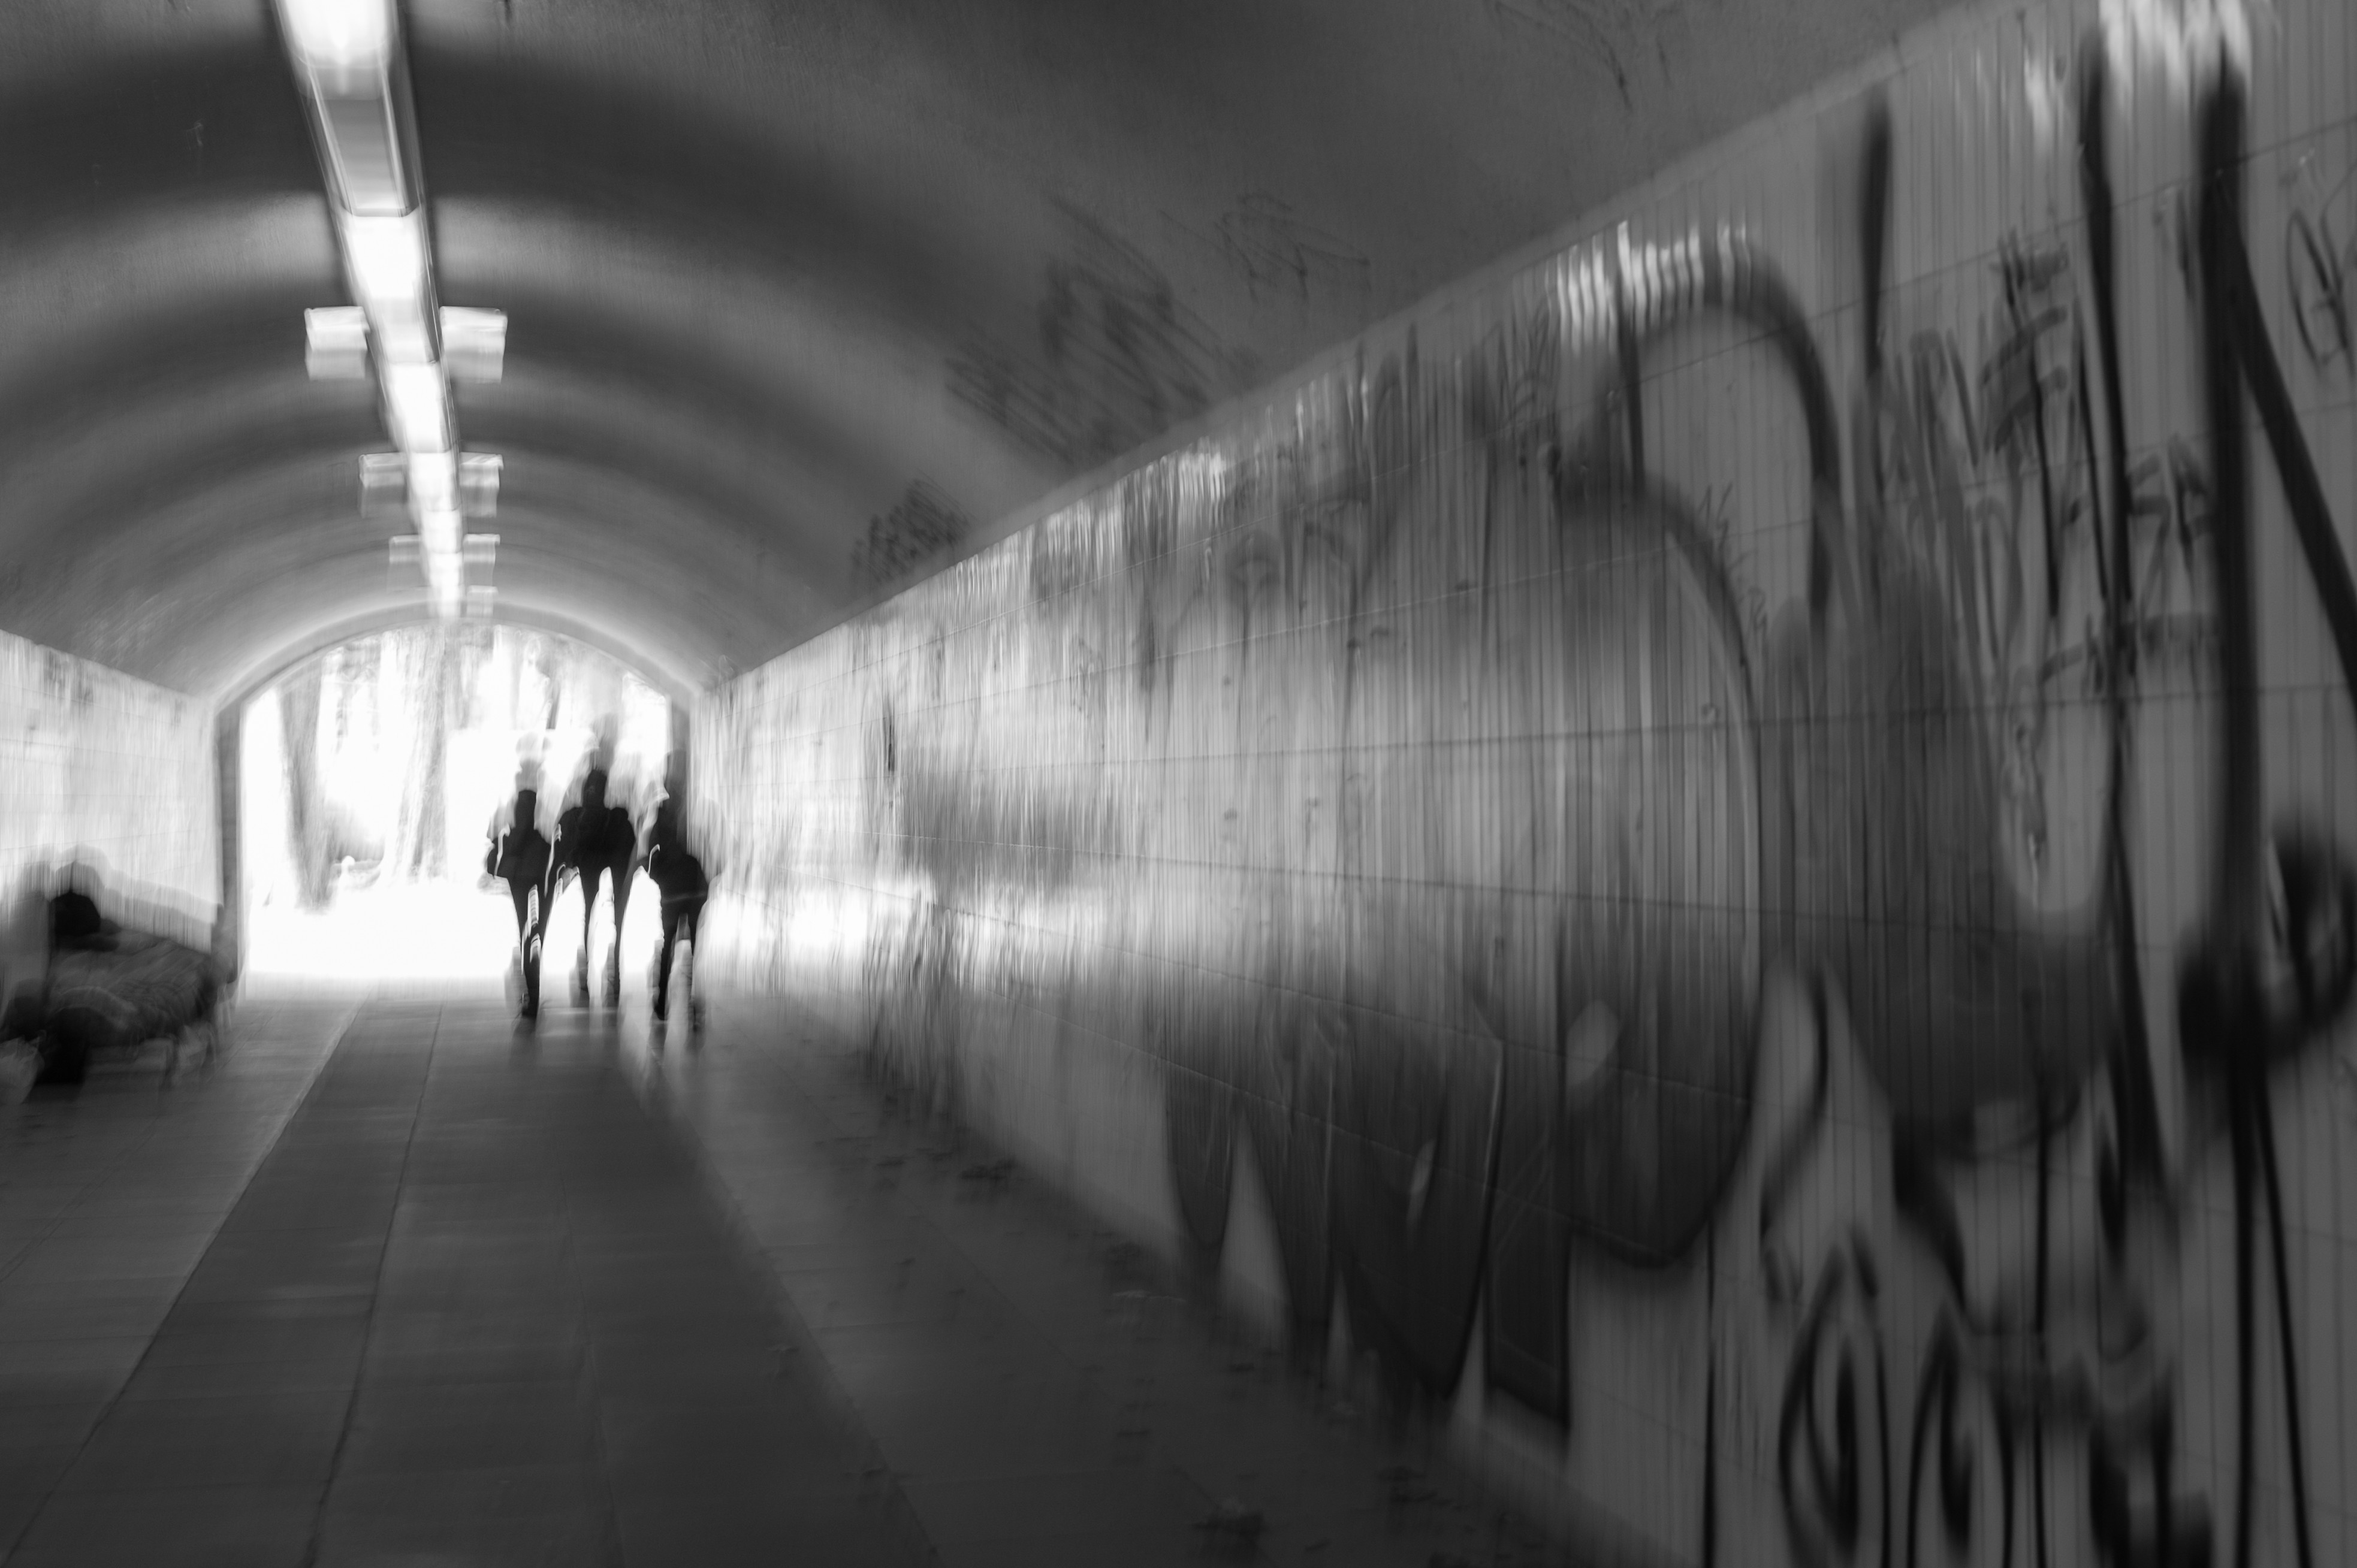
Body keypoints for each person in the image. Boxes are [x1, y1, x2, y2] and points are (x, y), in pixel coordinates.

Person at [553, 769, 635, 1007]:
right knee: (614, 916)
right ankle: (613, 970)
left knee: (589, 914)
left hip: (589, 863)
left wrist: (567, 864)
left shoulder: (576, 818)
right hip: (605, 859)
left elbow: (568, 846)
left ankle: (587, 968)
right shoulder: (617, 822)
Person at [485, 787, 554, 1021]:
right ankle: (534, 993)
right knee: (536, 936)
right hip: (541, 882)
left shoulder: (510, 835)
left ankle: (531, 997)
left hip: (520, 882)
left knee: (525, 934)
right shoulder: (542, 838)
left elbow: (493, 856)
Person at [642, 796, 708, 1024]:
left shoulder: (658, 840)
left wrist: (662, 878)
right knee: (694, 950)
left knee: (667, 946)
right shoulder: (687, 829)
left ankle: (662, 1003)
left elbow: (652, 871)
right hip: (692, 891)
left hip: (671, 897)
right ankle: (694, 1002)